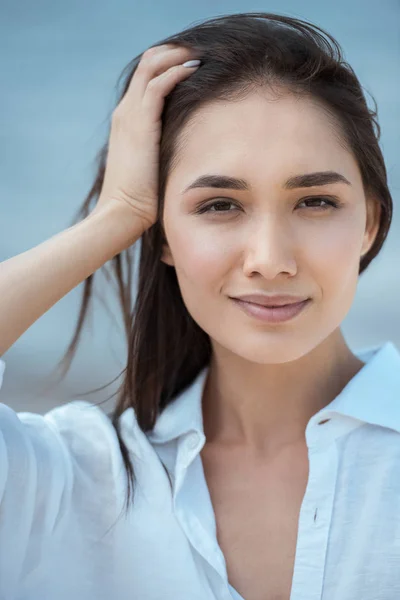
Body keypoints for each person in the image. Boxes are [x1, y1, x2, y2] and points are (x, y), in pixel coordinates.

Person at [0, 10, 398, 600]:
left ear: (369, 221)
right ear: (161, 235)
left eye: (315, 201)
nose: (270, 259)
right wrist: (118, 215)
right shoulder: (75, 480)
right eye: (219, 206)